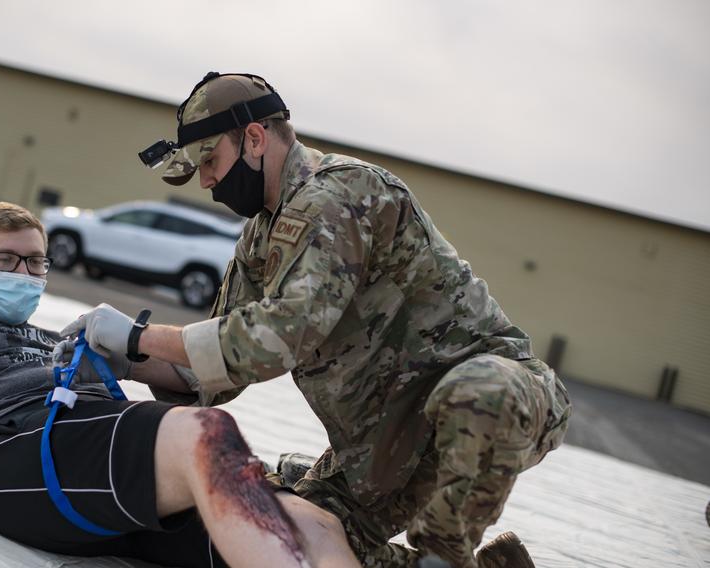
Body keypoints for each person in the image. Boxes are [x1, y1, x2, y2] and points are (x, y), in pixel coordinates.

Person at [63, 73, 573, 568]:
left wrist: (137, 334)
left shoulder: (340, 195)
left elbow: (279, 337)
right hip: (382, 450)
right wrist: (129, 362)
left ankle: (443, 556)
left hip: (496, 403)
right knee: (285, 534)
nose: (207, 180)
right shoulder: (261, 238)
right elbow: (212, 370)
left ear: (256, 139)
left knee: (478, 391)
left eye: (210, 160)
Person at [0, 201, 359, 568]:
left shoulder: (62, 334)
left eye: (34, 262)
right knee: (205, 434)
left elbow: (187, 378)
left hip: (96, 457)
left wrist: (131, 346)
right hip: (4, 444)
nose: (22, 272)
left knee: (311, 524)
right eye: (4, 260)